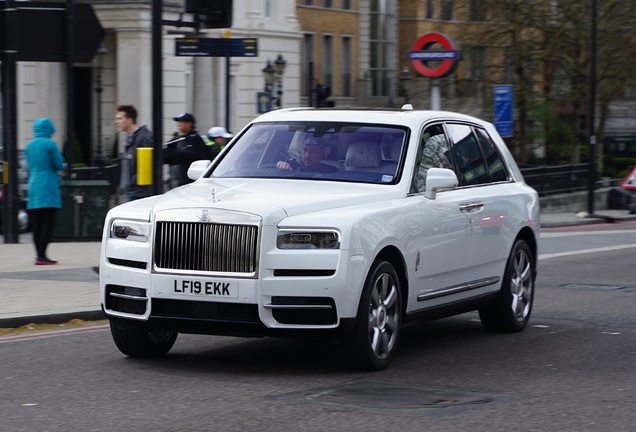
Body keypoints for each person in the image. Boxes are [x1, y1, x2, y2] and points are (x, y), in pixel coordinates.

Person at [24, 118, 65, 265]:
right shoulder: (50, 144)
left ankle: (38, 255)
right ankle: (43, 255)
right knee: (48, 222)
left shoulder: (29, 146)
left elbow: (27, 166)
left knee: (36, 223)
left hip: (34, 186)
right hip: (48, 185)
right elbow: (59, 164)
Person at [115, 105, 154, 201]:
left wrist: (132, 182)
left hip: (139, 194)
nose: (116, 122)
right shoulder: (130, 138)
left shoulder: (142, 138)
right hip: (131, 191)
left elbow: (146, 166)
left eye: (120, 119)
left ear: (130, 120)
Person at [163, 112, 208, 186]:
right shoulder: (181, 139)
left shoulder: (195, 140)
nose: (178, 125)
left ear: (189, 124)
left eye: (181, 122)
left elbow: (187, 155)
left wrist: (170, 153)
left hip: (191, 182)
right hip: (181, 181)